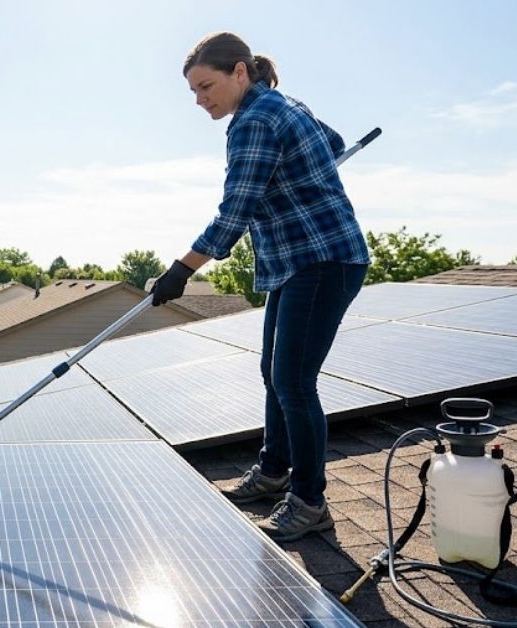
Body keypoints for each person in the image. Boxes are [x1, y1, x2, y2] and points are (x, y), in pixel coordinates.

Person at [149, 32, 370, 542]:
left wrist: (182, 268)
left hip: (322, 259)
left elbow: (235, 213)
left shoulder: (255, 121)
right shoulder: (284, 106)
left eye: (207, 86)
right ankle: (273, 471)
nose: (202, 100)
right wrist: (304, 169)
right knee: (274, 372)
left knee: (293, 381)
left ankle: (310, 501)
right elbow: (333, 144)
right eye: (194, 92)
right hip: (296, 261)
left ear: (240, 73)